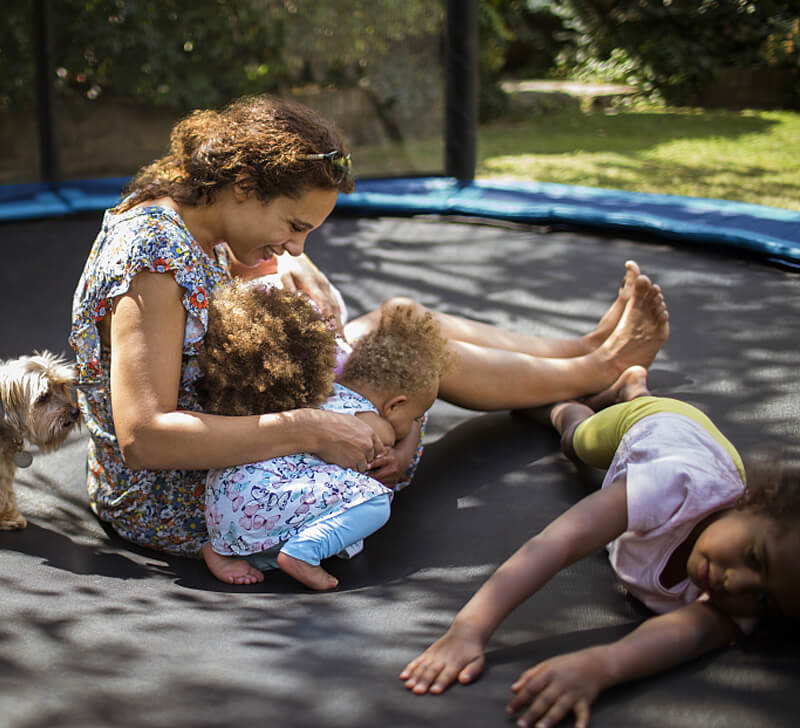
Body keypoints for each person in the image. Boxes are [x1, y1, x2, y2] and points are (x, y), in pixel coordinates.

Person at [70, 92, 670, 562]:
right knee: (416, 355)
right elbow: (144, 437)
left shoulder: (189, 211)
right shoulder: (153, 259)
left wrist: (297, 264)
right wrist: (313, 430)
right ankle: (598, 370)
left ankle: (583, 350)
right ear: (245, 185)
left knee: (399, 319)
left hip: (227, 434)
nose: (296, 243)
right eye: (294, 223)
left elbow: (234, 280)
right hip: (185, 497)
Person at [400, 366, 800, 728]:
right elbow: (557, 543)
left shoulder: (740, 601)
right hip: (661, 426)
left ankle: (631, 386)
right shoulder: (675, 487)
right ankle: (565, 406)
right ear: (750, 503)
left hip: (708, 452)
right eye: (754, 558)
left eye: (764, 600)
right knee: (578, 444)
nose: (736, 583)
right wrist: (468, 630)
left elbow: (690, 635)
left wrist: (600, 665)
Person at [199, 280, 450, 590]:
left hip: (225, 501)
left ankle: (226, 552)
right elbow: (391, 446)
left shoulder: (323, 393)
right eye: (412, 415)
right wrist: (411, 432)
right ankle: (304, 553)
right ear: (394, 405)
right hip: (261, 499)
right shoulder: (374, 422)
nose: (414, 423)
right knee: (375, 502)